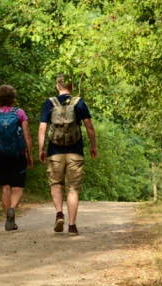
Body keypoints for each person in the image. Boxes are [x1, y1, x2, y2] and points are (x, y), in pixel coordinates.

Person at [38, 74, 97, 236]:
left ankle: (59, 214)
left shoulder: (50, 103)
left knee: (56, 184)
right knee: (73, 189)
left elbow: (42, 128)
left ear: (57, 86)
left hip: (54, 152)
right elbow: (89, 127)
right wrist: (93, 146)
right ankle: (72, 226)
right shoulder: (79, 103)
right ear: (71, 87)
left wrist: (41, 149)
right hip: (75, 152)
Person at [0, 85, 33, 231]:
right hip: (18, 154)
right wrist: (30, 154)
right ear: (13, 97)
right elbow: (26, 135)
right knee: (18, 188)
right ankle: (12, 208)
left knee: (5, 188)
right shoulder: (19, 113)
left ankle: (9, 219)